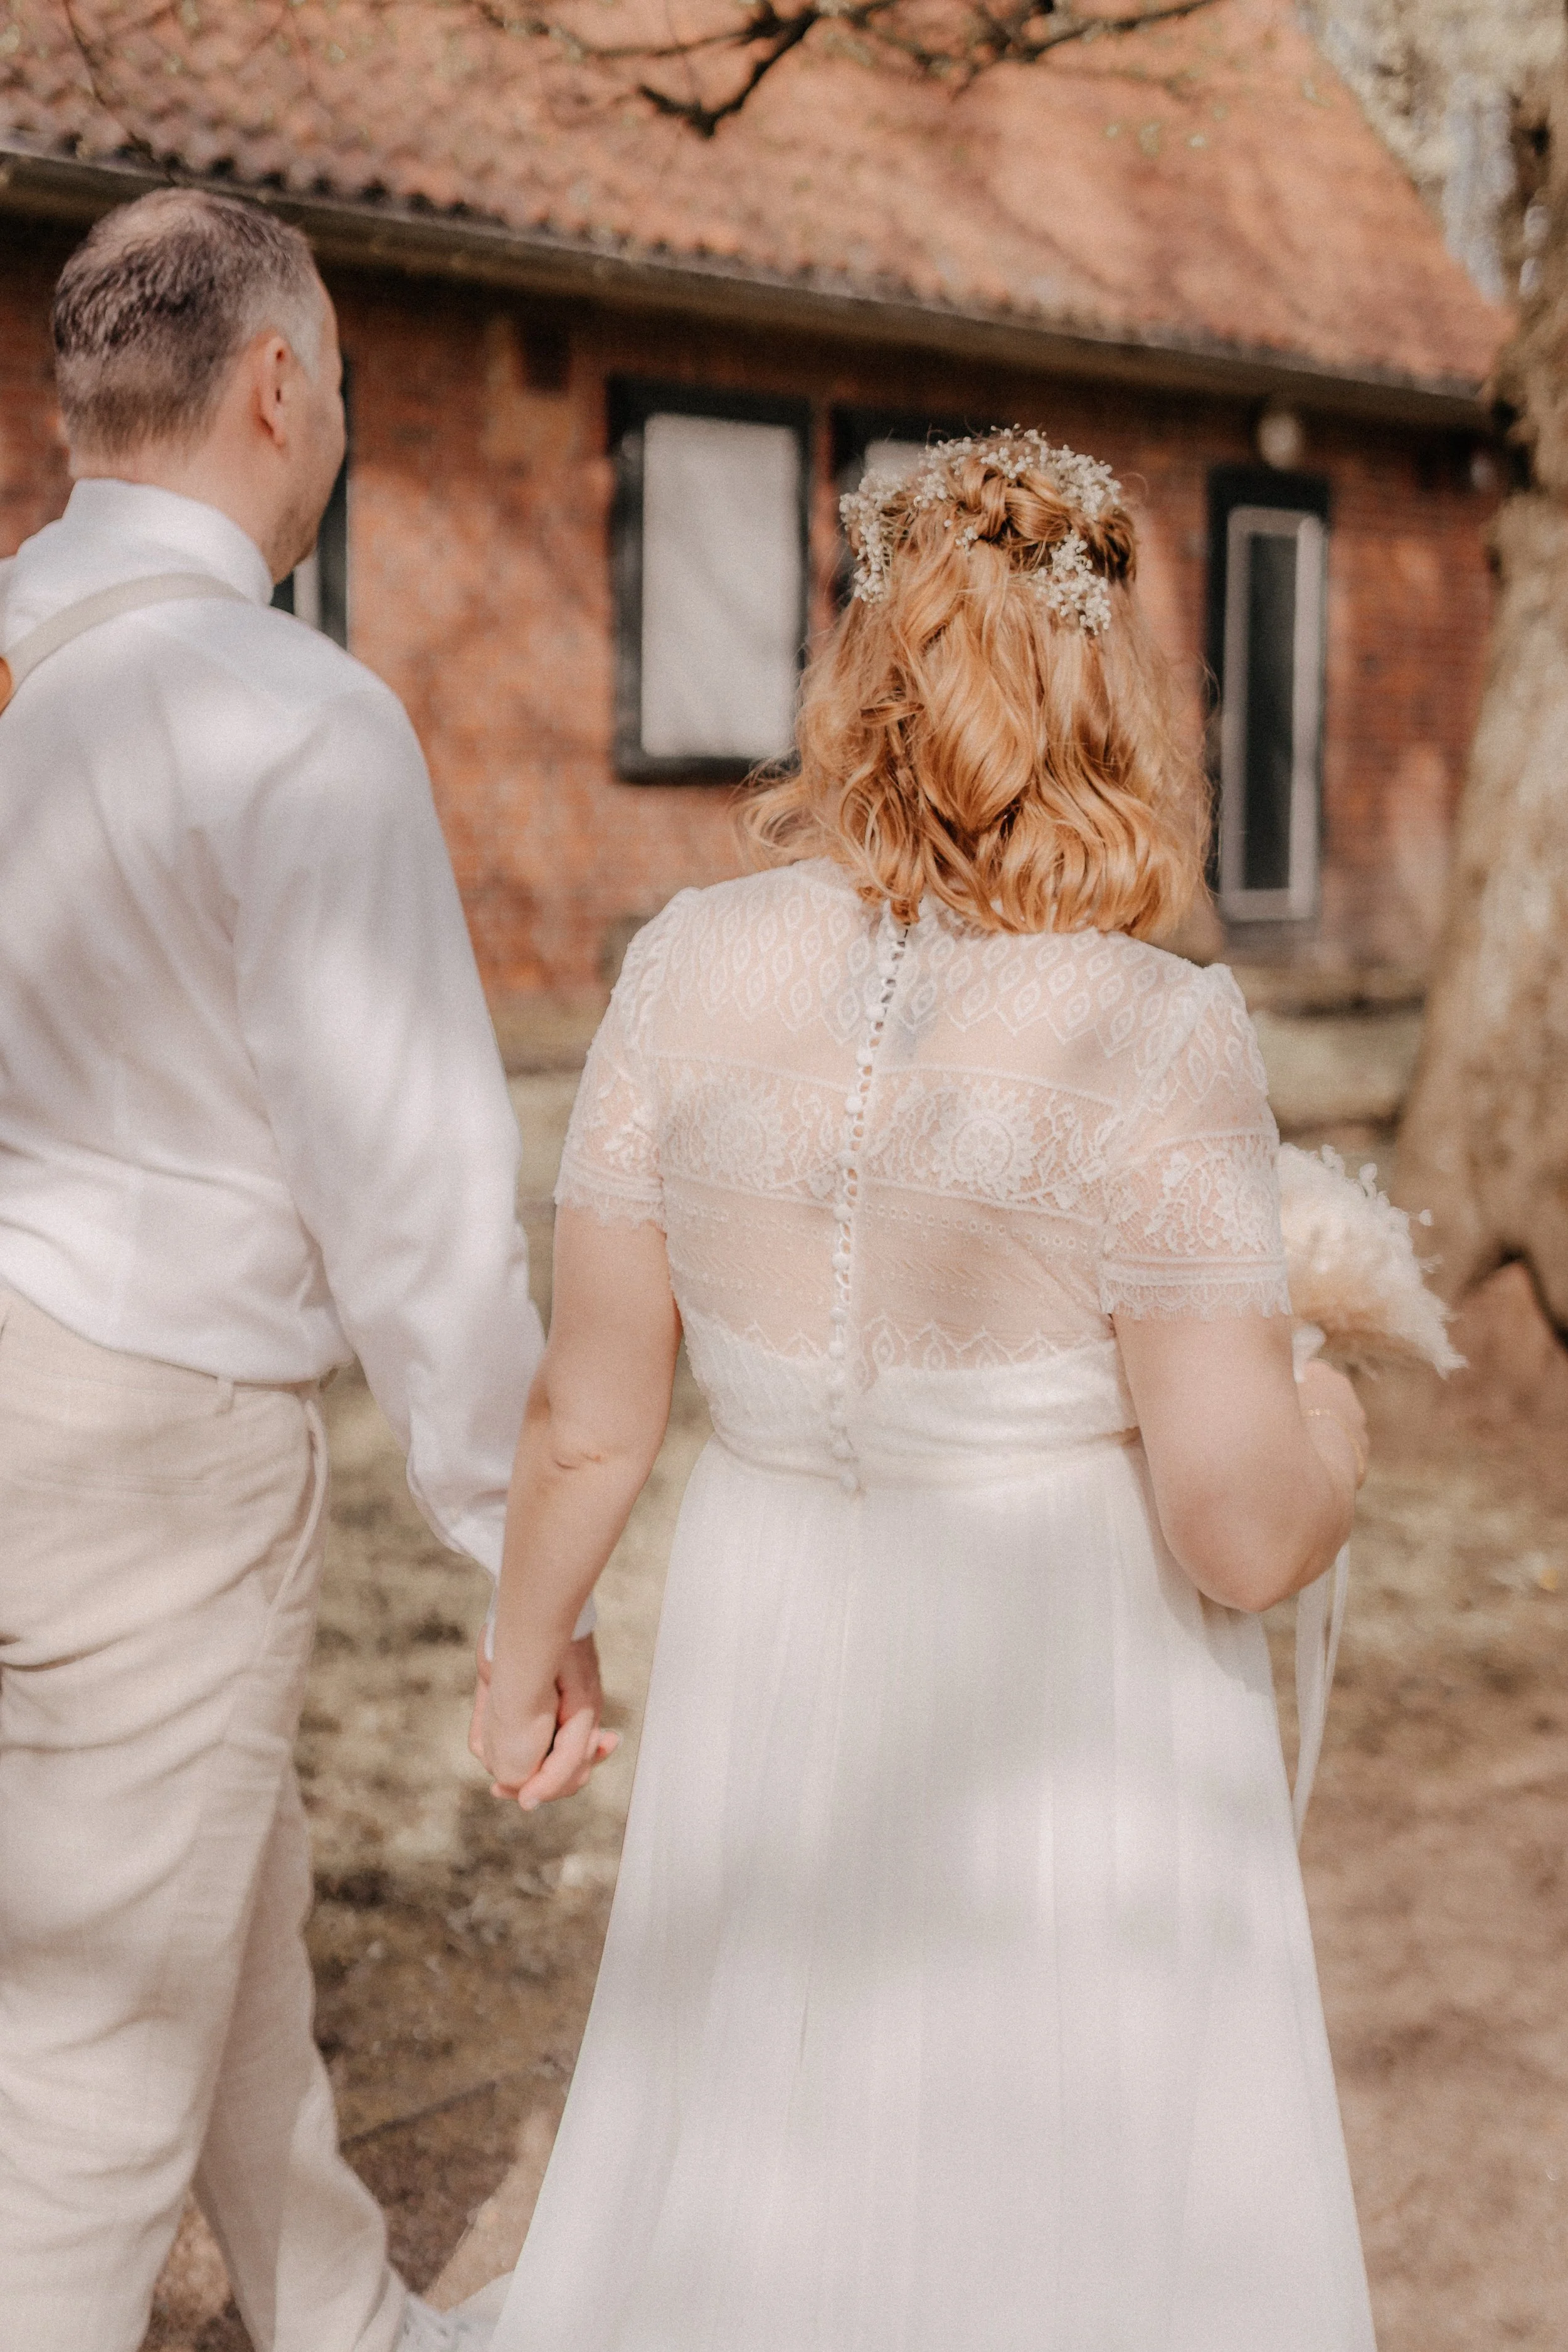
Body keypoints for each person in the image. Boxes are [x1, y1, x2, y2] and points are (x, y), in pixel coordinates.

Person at [469, 430, 1377, 2349]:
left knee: (767, 2099)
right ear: (1106, 686)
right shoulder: (1152, 1027)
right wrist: (1335, 1408)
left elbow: (589, 1412)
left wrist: (524, 1644)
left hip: (768, 1609)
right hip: (1058, 1663)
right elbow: (1236, 1531)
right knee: (1051, 2152)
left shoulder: (684, 962)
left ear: (854, 671)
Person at [0, 189, 601, 2352]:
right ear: (276, 387)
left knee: (192, 1913)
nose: (337, 407)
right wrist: (516, 1532)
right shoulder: (296, 714)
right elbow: (418, 1192)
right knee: (76, 2087)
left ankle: (344, 2319)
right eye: (338, 368)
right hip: (152, 1430)